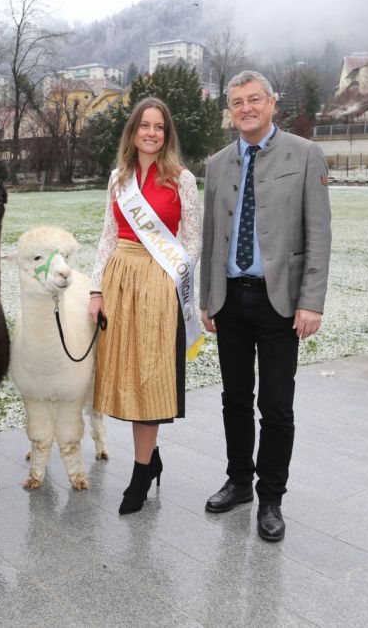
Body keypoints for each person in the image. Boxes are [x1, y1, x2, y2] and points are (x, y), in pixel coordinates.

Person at [199, 70, 331, 542]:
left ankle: (271, 495)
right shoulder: (216, 164)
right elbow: (211, 238)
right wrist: (207, 298)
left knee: (276, 406)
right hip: (230, 299)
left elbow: (318, 234)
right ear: (229, 110)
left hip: (280, 303)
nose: (247, 108)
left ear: (272, 103)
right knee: (234, 398)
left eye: (255, 100)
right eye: (238, 102)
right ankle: (239, 482)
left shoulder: (305, 153)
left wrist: (311, 301)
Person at [89, 97, 203, 515]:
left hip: (160, 282)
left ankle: (139, 474)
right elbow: (105, 236)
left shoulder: (182, 180)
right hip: (120, 278)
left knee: (151, 378)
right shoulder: (119, 179)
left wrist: (174, 281)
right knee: (124, 374)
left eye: (159, 126)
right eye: (144, 126)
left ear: (166, 134)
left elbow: (192, 240)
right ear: (133, 132)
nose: (151, 133)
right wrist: (96, 291)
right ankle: (149, 459)